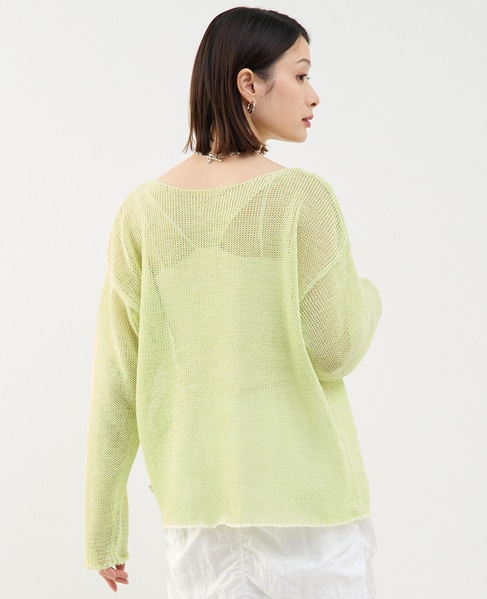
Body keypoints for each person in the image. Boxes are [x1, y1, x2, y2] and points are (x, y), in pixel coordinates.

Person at [84, 6, 382, 598]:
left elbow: (117, 379)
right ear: (249, 83)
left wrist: (103, 531)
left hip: (197, 520)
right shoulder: (302, 198)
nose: (314, 95)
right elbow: (336, 348)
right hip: (310, 515)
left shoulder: (141, 213)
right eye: (301, 74)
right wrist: (370, 296)